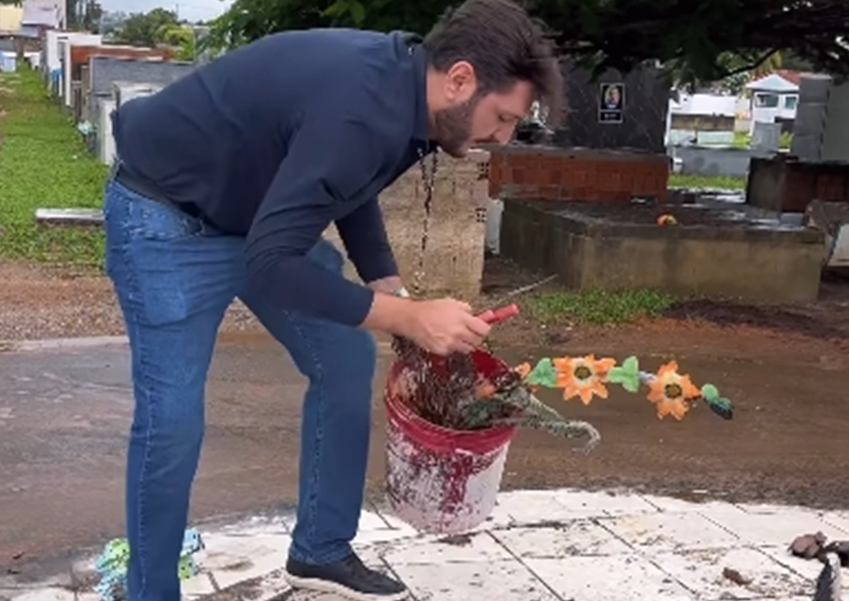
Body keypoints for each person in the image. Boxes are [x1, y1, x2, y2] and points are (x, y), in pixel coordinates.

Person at [103, 0, 564, 599]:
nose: (500, 138)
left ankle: (319, 550)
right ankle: (151, 591)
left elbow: (351, 182)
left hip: (257, 219)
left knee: (345, 355)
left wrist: (388, 287)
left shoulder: (410, 98)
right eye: (502, 118)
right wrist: (411, 317)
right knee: (172, 420)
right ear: (460, 79)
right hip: (166, 217)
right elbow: (274, 265)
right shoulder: (363, 105)